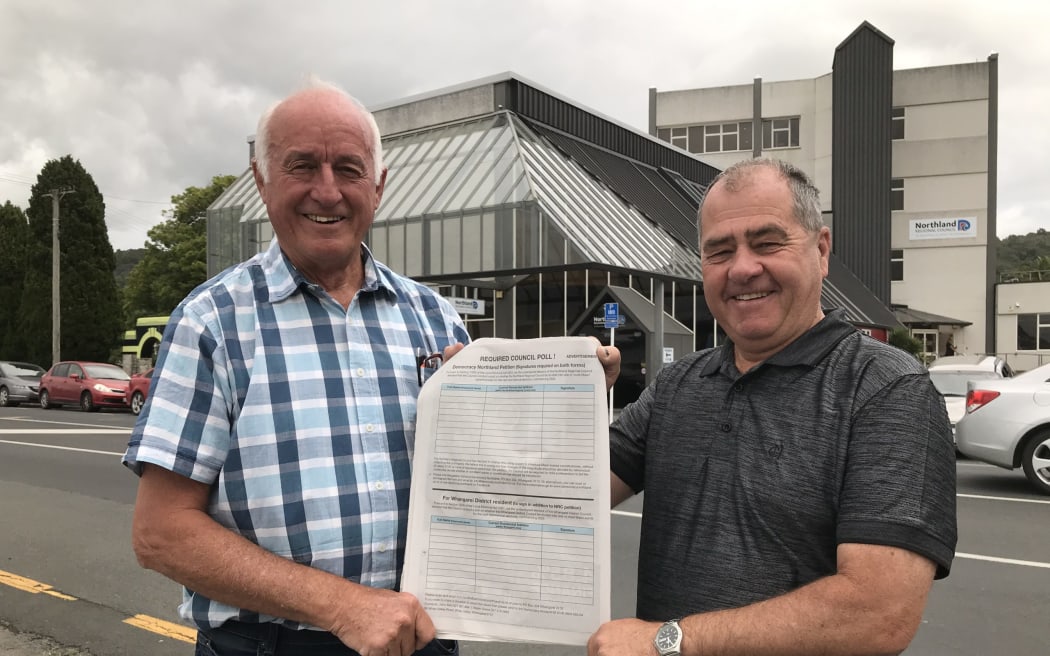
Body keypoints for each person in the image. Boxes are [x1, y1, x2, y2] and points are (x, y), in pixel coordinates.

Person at [122, 78, 621, 656]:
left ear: (379, 186)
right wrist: (340, 605)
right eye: (302, 166)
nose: (327, 191)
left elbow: (493, 482)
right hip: (272, 646)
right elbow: (160, 534)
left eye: (349, 169)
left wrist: (563, 395)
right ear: (262, 180)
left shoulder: (435, 320)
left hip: (421, 642)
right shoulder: (213, 323)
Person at [588, 158, 957, 656]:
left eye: (767, 243)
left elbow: (878, 613)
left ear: (821, 250)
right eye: (720, 251)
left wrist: (668, 641)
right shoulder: (678, 385)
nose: (742, 268)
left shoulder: (885, 388)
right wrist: (512, 392)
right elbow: (568, 492)